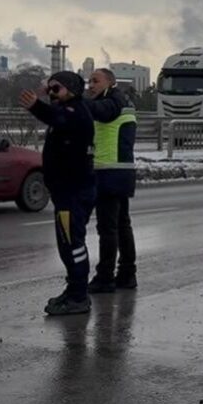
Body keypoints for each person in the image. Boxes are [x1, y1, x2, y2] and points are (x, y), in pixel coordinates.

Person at [20, 72, 96, 315]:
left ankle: (78, 297)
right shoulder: (66, 108)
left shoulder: (76, 112)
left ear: (72, 90)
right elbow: (55, 113)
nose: (51, 93)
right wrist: (45, 93)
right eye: (50, 88)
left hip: (73, 192)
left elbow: (56, 116)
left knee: (71, 244)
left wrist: (36, 104)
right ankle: (74, 290)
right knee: (67, 243)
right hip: (65, 191)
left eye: (56, 89)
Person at [84, 68, 138, 293]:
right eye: (88, 82)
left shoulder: (112, 101)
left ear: (110, 83)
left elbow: (101, 112)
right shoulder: (119, 100)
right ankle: (127, 274)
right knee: (122, 225)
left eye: (95, 81)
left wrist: (76, 98)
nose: (91, 85)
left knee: (108, 228)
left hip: (110, 173)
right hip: (119, 172)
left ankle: (105, 277)